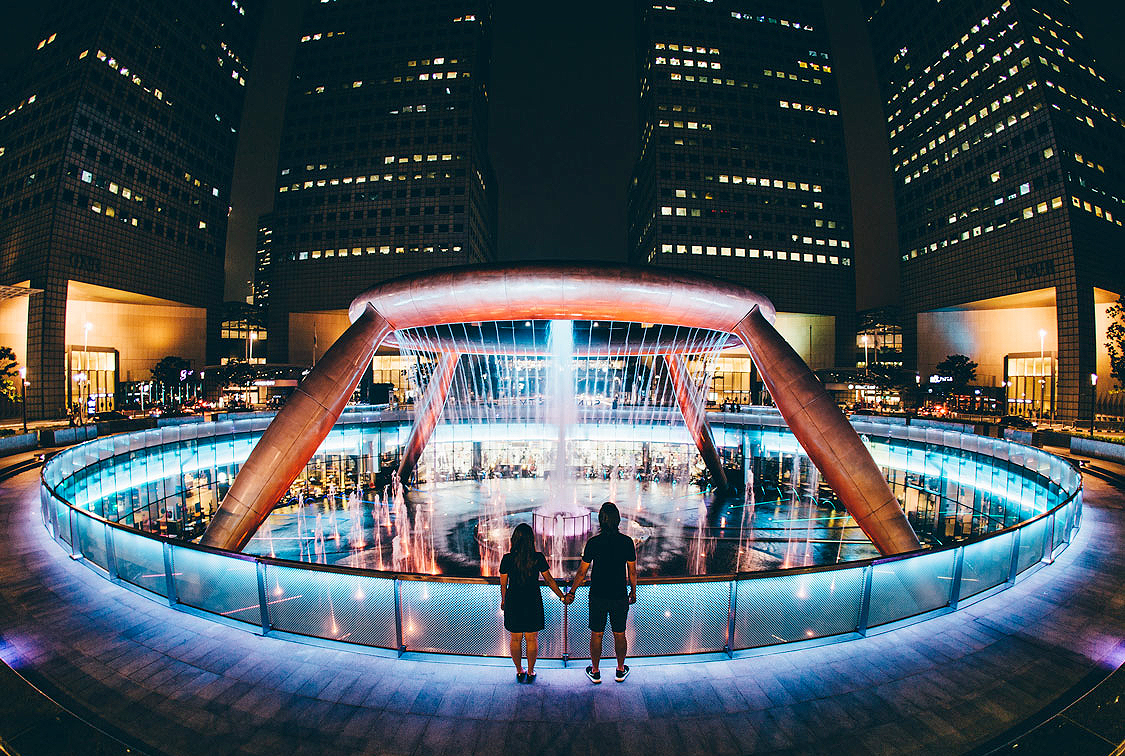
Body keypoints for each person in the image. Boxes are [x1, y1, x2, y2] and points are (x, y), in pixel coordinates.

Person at [565, 502, 637, 684]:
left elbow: (582, 572)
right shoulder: (627, 542)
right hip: (619, 594)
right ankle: (620, 670)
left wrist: (572, 592)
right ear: (618, 520)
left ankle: (595, 671)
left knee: (597, 634)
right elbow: (632, 571)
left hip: (597, 594)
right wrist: (633, 591)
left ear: (600, 521)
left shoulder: (594, 543)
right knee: (619, 633)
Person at [499, 522, 566, 683]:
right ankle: (530, 671)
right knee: (531, 639)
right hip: (532, 600)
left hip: (513, 600)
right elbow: (549, 580)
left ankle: (519, 670)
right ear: (531, 540)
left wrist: (503, 601)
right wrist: (562, 596)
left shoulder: (507, 559)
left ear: (514, 539)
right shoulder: (537, 558)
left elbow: (503, 584)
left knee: (515, 639)